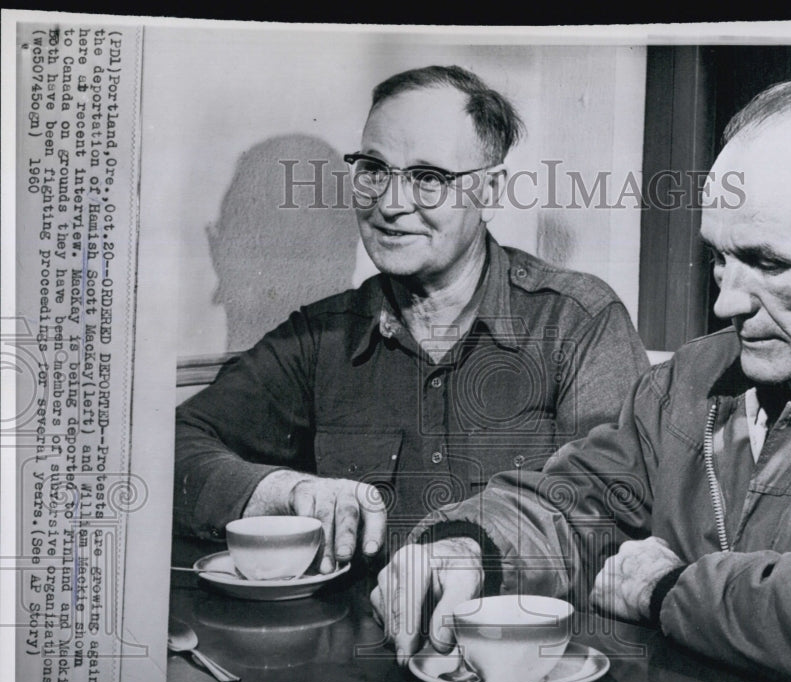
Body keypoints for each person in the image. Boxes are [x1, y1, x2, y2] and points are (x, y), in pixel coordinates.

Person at [370, 79, 791, 682]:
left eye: (769, 264)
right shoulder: (692, 379)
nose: (727, 300)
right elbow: (574, 501)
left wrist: (666, 590)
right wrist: (469, 547)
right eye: (719, 257)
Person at [174, 65, 650, 574]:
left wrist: (472, 549)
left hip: (512, 643)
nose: (390, 204)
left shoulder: (578, 322)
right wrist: (282, 490)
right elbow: (171, 446)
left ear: (488, 193)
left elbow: (613, 499)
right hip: (349, 644)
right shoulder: (321, 338)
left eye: (428, 178)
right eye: (374, 170)